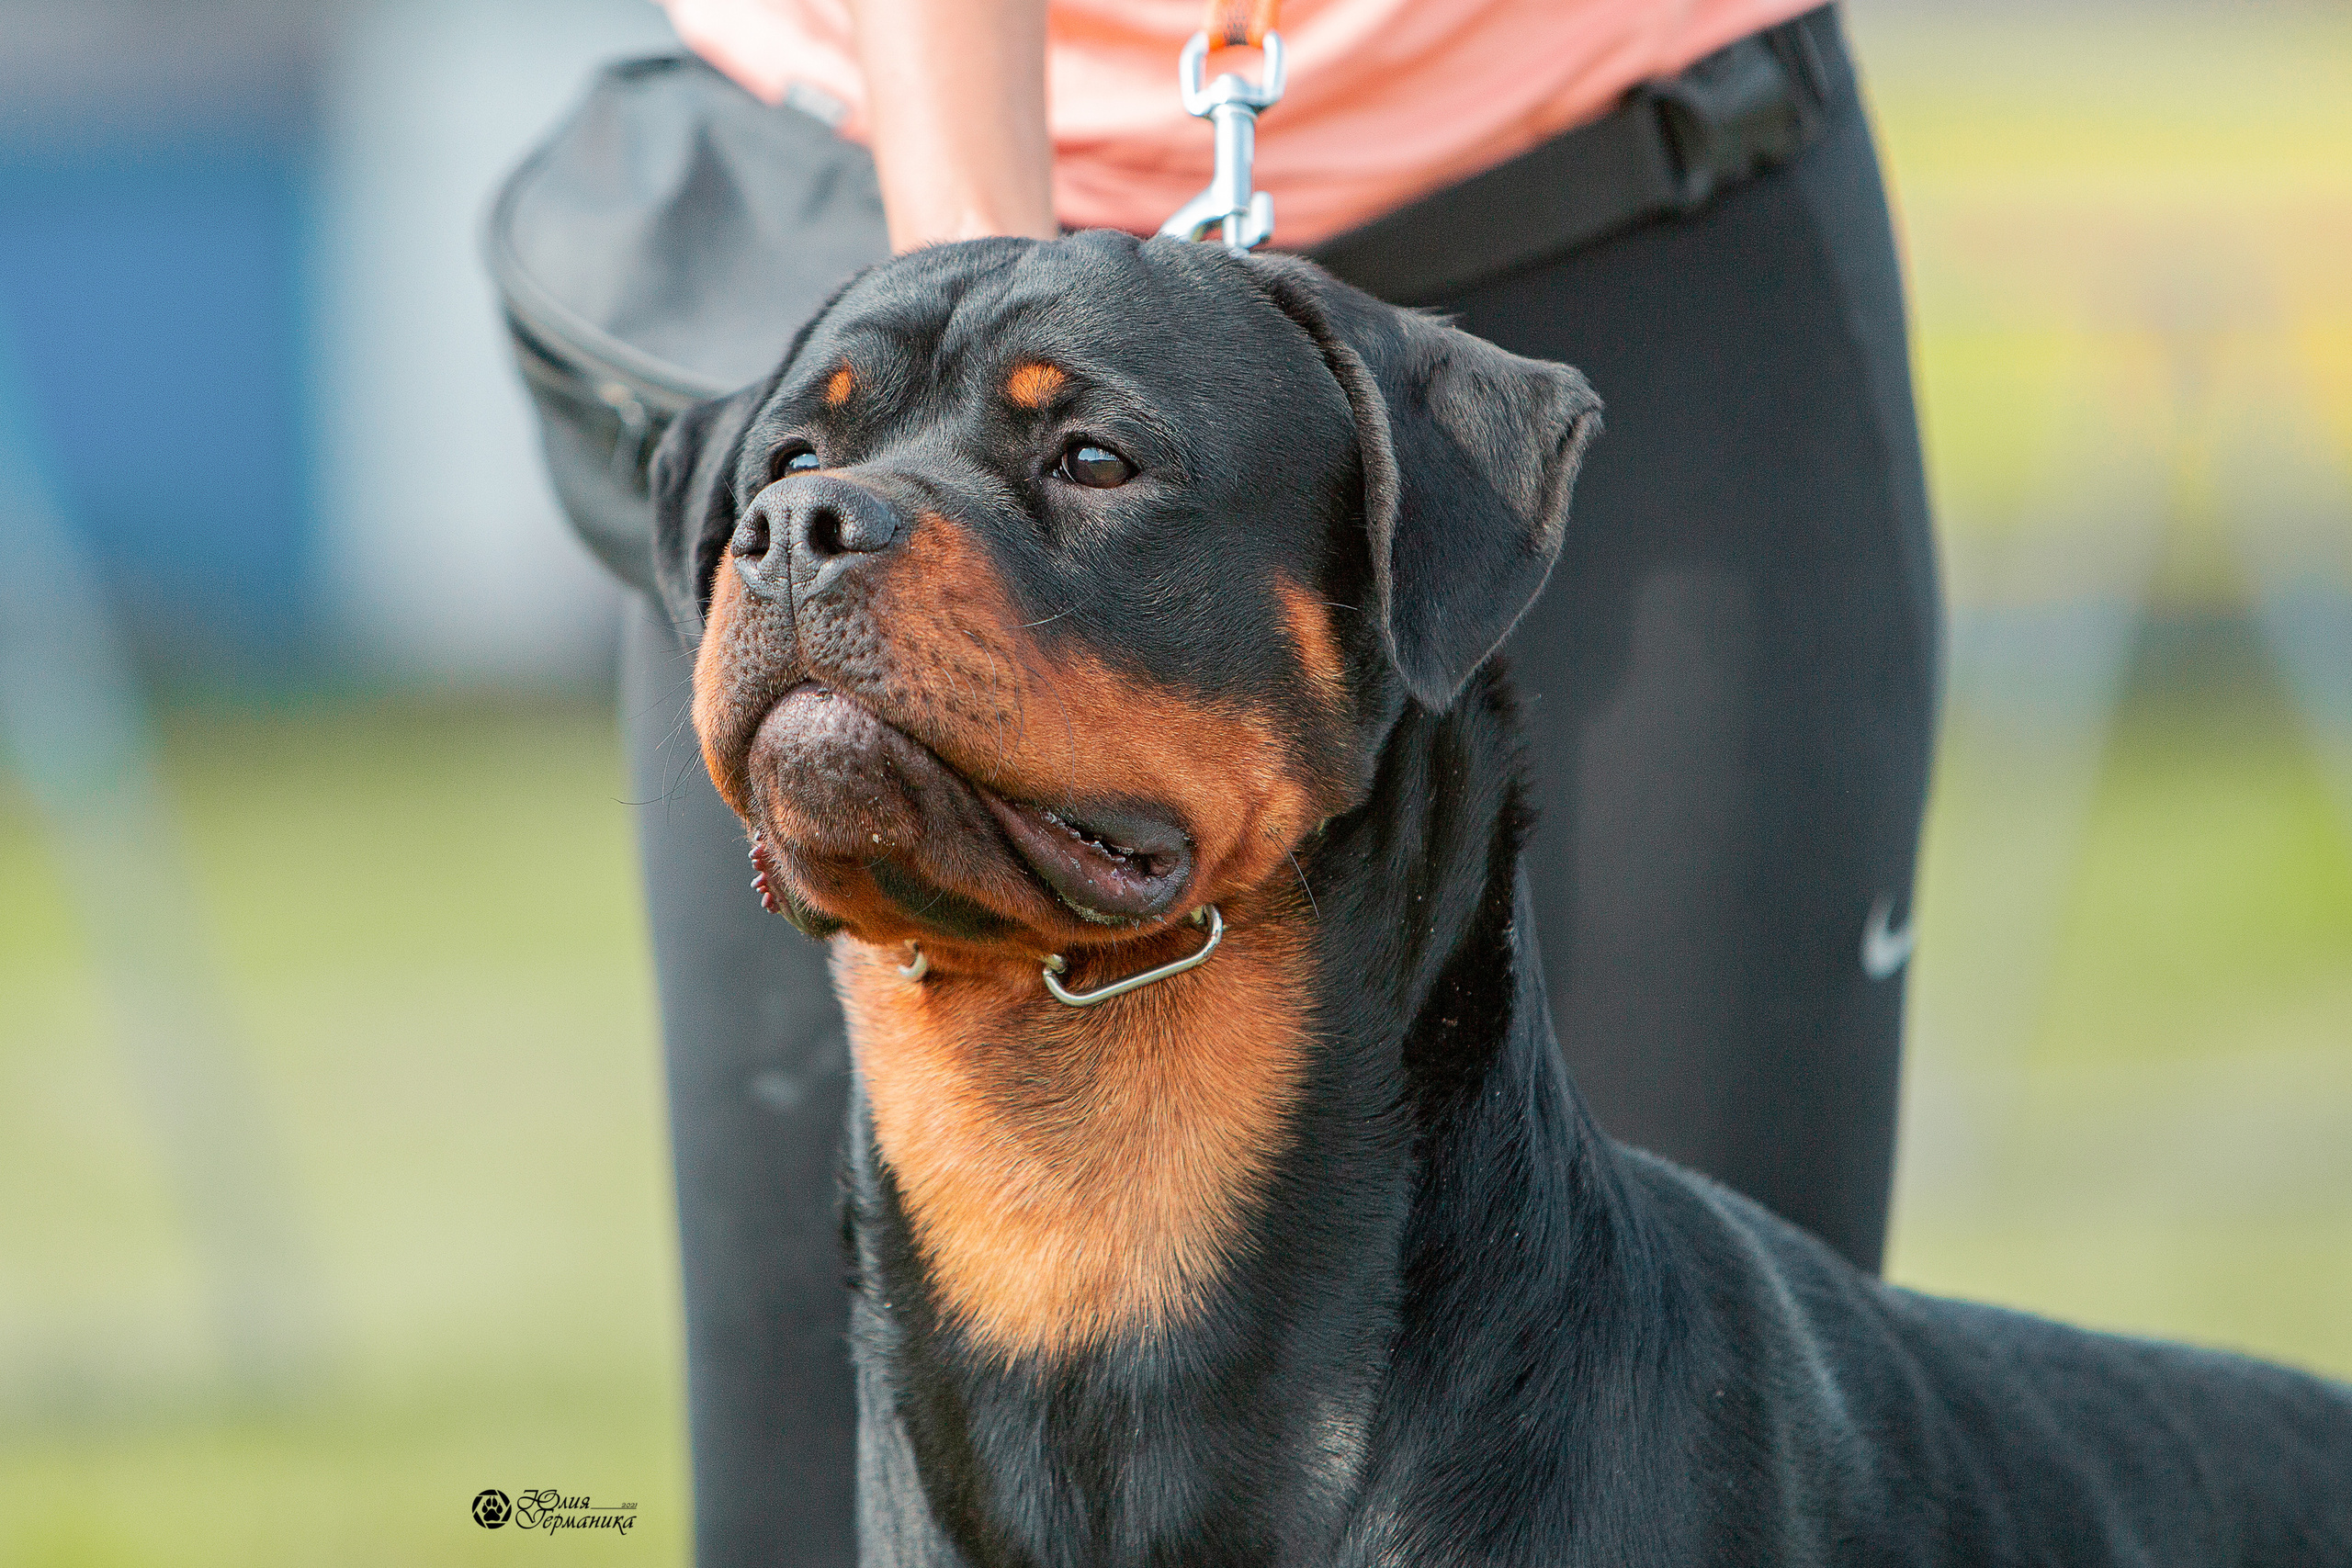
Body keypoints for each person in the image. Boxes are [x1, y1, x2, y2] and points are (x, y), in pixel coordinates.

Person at [619, 1, 1937, 1560]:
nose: (807, 529)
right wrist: (984, 281)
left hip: (1611, 157)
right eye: (788, 482)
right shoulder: (865, 460)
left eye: (1085, 462)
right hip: (886, 149)